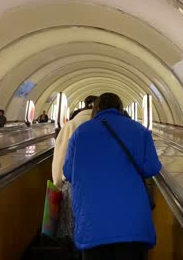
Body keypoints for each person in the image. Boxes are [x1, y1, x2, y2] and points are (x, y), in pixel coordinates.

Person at [63, 93, 162, 259]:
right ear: (120, 108)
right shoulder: (139, 130)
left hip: (92, 220)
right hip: (132, 222)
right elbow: (152, 168)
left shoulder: (80, 132)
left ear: (96, 108)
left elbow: (68, 172)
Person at [51, 95, 97, 240]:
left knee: (73, 228)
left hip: (73, 184)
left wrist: (57, 183)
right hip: (99, 185)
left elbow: (60, 156)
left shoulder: (71, 124)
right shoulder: (103, 124)